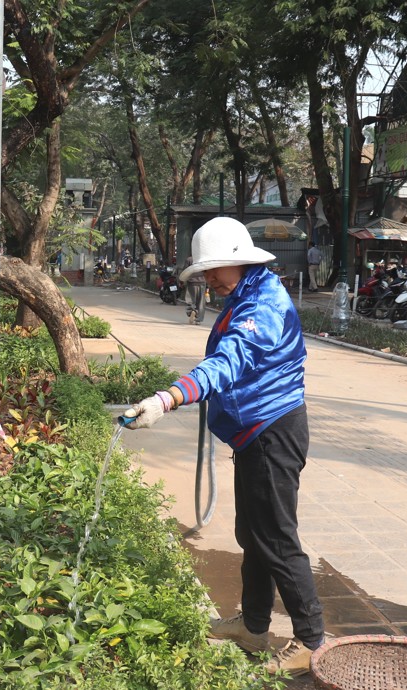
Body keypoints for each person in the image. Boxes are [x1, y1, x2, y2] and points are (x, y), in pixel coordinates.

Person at [122, 216, 325, 677]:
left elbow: (225, 365)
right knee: (252, 535)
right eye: (205, 271)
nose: (209, 278)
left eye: (213, 269)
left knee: (276, 539)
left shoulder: (262, 310)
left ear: (238, 262)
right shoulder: (247, 294)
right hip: (255, 433)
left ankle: (311, 640)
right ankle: (254, 626)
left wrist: (167, 398)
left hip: (273, 432)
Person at [183, 254, 207, 324]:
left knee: (190, 300)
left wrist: (183, 281)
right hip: (202, 282)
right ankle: (198, 319)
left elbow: (185, 271)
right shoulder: (203, 259)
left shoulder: (189, 259)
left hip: (191, 283)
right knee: (201, 302)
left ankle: (192, 311)